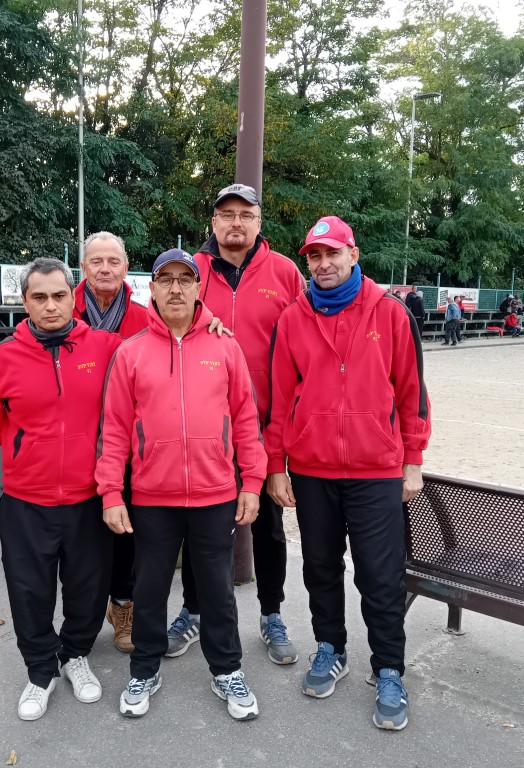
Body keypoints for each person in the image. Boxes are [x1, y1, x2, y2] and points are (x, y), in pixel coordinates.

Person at [265, 215, 431, 731]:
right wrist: (275, 466)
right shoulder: (292, 319)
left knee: (380, 577)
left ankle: (388, 670)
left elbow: (412, 393)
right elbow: (277, 401)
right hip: (312, 469)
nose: (323, 264)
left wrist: (413, 461)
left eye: (332, 253)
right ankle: (329, 648)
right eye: (314, 256)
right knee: (319, 568)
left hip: (376, 469)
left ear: (353, 255)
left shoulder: (391, 313)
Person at [96, 249, 267, 721]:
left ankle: (227, 669)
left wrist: (251, 481)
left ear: (197, 289)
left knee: (216, 588)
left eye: (184, 280)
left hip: (215, 493)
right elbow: (113, 432)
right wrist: (112, 492)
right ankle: (144, 668)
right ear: (150, 288)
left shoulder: (225, 347)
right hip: (153, 496)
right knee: (149, 587)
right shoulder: (131, 352)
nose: (175, 288)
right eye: (165, 279)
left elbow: (247, 419)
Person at [0, 258, 123, 721]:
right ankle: (39, 671)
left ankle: (74, 656)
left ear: (75, 297)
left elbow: (164, 331)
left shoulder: (108, 347)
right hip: (26, 502)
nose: (50, 306)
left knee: (88, 592)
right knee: (29, 594)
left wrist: (207, 319)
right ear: (24, 302)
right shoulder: (4, 358)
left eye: (59, 295)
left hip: (88, 500)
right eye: (39, 297)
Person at [167, 183, 305, 666]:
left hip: (262, 427)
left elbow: (300, 350)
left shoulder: (285, 273)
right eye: (226, 214)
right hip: (199, 427)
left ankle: (271, 614)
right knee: (198, 528)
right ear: (213, 222)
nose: (235, 223)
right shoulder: (191, 271)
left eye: (245, 215)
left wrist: (282, 438)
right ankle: (193, 610)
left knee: (268, 527)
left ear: (259, 223)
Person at [73, 232, 149, 654]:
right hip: (76, 440)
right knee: (83, 535)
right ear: (83, 268)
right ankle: (81, 614)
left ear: (125, 268)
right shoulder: (62, 310)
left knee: (126, 532)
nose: (105, 268)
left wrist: (210, 316)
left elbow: (186, 321)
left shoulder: (143, 316)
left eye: (113, 261)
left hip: (128, 444)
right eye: (96, 261)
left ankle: (123, 606)